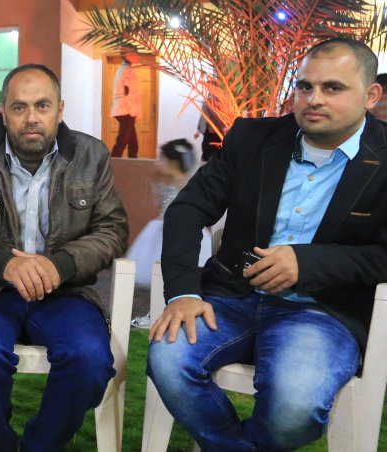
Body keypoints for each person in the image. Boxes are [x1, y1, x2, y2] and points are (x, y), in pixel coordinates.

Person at [148, 38, 387, 450]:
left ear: (371, 95)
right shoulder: (253, 138)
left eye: (332, 87)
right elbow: (187, 210)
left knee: (295, 408)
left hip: (323, 311)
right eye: (304, 86)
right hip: (229, 296)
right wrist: (184, 293)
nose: (313, 99)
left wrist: (306, 263)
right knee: (167, 361)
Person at [0, 63, 129, 451]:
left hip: (65, 293)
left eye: (42, 106)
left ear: (59, 110)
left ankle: (39, 446)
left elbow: (112, 230)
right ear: (3, 111)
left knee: (90, 361)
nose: (31, 118)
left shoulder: (91, 155)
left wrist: (60, 265)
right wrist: (3, 262)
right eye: (19, 107)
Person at [126, 139, 211, 328]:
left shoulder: (187, 184)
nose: (158, 163)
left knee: (171, 272)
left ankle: (169, 310)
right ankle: (155, 311)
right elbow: (162, 205)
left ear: (173, 162)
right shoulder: (164, 181)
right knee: (158, 274)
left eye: (162, 159)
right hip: (161, 230)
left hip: (179, 234)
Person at [110, 46, 142, 158]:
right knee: (122, 143)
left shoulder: (123, 69)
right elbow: (128, 92)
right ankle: (111, 166)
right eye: (135, 53)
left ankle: (131, 166)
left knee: (133, 144)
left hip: (122, 110)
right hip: (126, 111)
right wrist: (134, 112)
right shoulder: (128, 70)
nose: (137, 56)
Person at [194, 96, 228, 162]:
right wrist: (198, 130)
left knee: (212, 148)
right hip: (210, 129)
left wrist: (222, 127)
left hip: (213, 129)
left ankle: (208, 161)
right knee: (208, 148)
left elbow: (216, 116)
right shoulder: (208, 102)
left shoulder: (214, 101)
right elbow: (203, 116)